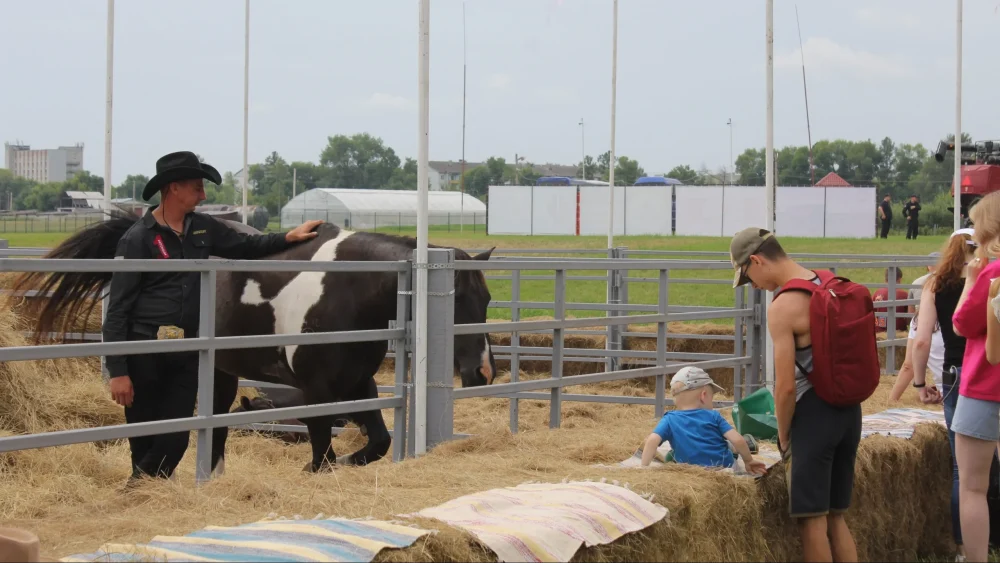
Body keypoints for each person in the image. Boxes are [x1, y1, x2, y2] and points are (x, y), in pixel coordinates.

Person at [103, 150, 323, 485]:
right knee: (144, 430)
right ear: (173, 188)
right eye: (196, 187)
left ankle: (141, 487)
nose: (203, 195)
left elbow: (248, 246)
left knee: (176, 434)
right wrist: (118, 370)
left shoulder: (204, 229)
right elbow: (117, 308)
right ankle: (145, 493)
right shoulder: (137, 239)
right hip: (144, 346)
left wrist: (288, 237)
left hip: (187, 346)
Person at [730, 227, 861, 562]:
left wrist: (784, 434)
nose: (755, 287)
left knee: (811, 522)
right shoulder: (827, 283)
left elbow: (786, 386)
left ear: (756, 261)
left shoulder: (784, 306)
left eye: (749, 278)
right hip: (849, 411)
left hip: (814, 417)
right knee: (836, 516)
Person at [903, 230, 975, 560]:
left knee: (965, 469)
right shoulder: (989, 277)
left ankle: (964, 547)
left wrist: (919, 383)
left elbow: (920, 340)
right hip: (989, 368)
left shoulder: (935, 284)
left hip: (957, 374)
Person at [951, 192, 1000, 562]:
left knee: (972, 487)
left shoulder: (991, 273)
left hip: (984, 387)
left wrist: (971, 279)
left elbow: (962, 323)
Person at [640, 366, 766, 475]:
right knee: (729, 445)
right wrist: (748, 461)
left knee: (670, 455)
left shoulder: (669, 419)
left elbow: (652, 441)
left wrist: (644, 469)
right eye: (712, 397)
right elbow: (738, 439)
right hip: (723, 468)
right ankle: (748, 443)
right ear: (703, 395)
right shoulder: (714, 416)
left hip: (688, 471)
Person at [873, 267, 909, 333]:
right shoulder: (904, 294)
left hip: (879, 332)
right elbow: (909, 316)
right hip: (899, 332)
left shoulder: (877, 292)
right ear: (899, 279)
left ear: (885, 278)